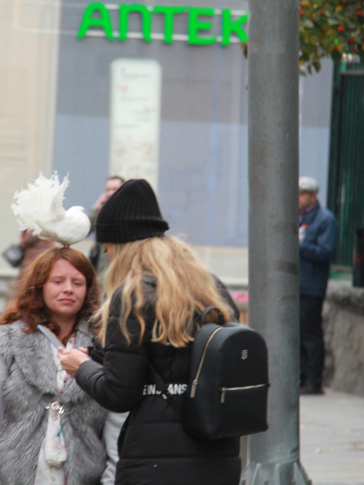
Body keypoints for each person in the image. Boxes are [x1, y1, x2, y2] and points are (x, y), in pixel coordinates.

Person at [59, 179, 242, 485]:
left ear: (122, 247)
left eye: (108, 249)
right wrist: (96, 355)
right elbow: (166, 357)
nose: (110, 259)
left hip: (156, 458)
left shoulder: (132, 295)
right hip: (218, 450)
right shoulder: (208, 286)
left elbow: (119, 393)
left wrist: (81, 367)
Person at [0, 247, 109, 485]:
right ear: (40, 285)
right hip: (16, 476)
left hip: (84, 476)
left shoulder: (102, 345)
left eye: (78, 283)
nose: (68, 289)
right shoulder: (10, 340)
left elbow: (115, 422)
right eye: (58, 281)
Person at [297, 176, 339, 396]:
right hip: (296, 285)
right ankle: (300, 378)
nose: (297, 198)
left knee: (310, 334)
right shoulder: (296, 217)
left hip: (311, 286)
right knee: (296, 333)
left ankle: (314, 381)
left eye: (301, 194)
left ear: (313, 196)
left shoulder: (325, 220)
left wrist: (300, 245)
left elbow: (325, 252)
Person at [87, 176, 124, 283]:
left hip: (121, 277)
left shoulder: (130, 214)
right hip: (102, 277)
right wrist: (96, 208)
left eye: (115, 189)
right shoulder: (101, 213)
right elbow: (83, 230)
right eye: (108, 190)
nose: (110, 193)